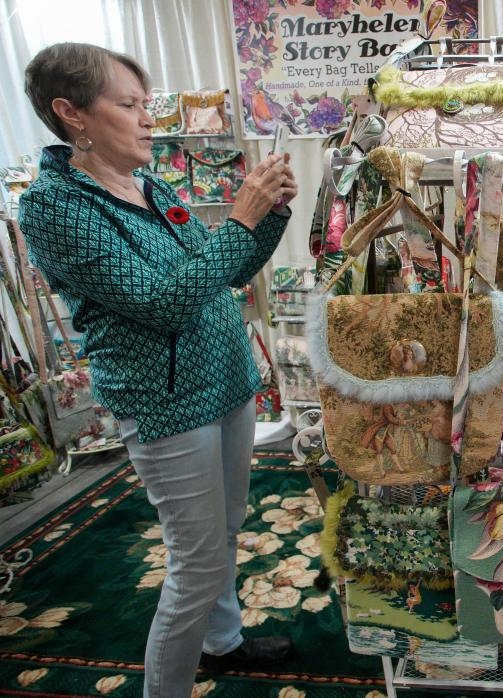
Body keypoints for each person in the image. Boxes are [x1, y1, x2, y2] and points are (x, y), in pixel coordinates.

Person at [19, 43, 298, 697]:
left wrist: (271, 213)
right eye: (130, 105)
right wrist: (241, 215)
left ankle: (222, 643)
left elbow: (222, 272)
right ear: (72, 114)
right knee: (196, 562)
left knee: (224, 533)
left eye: (148, 105)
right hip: (168, 404)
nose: (150, 119)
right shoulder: (55, 206)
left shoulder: (150, 184)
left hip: (225, 384)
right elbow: (161, 303)